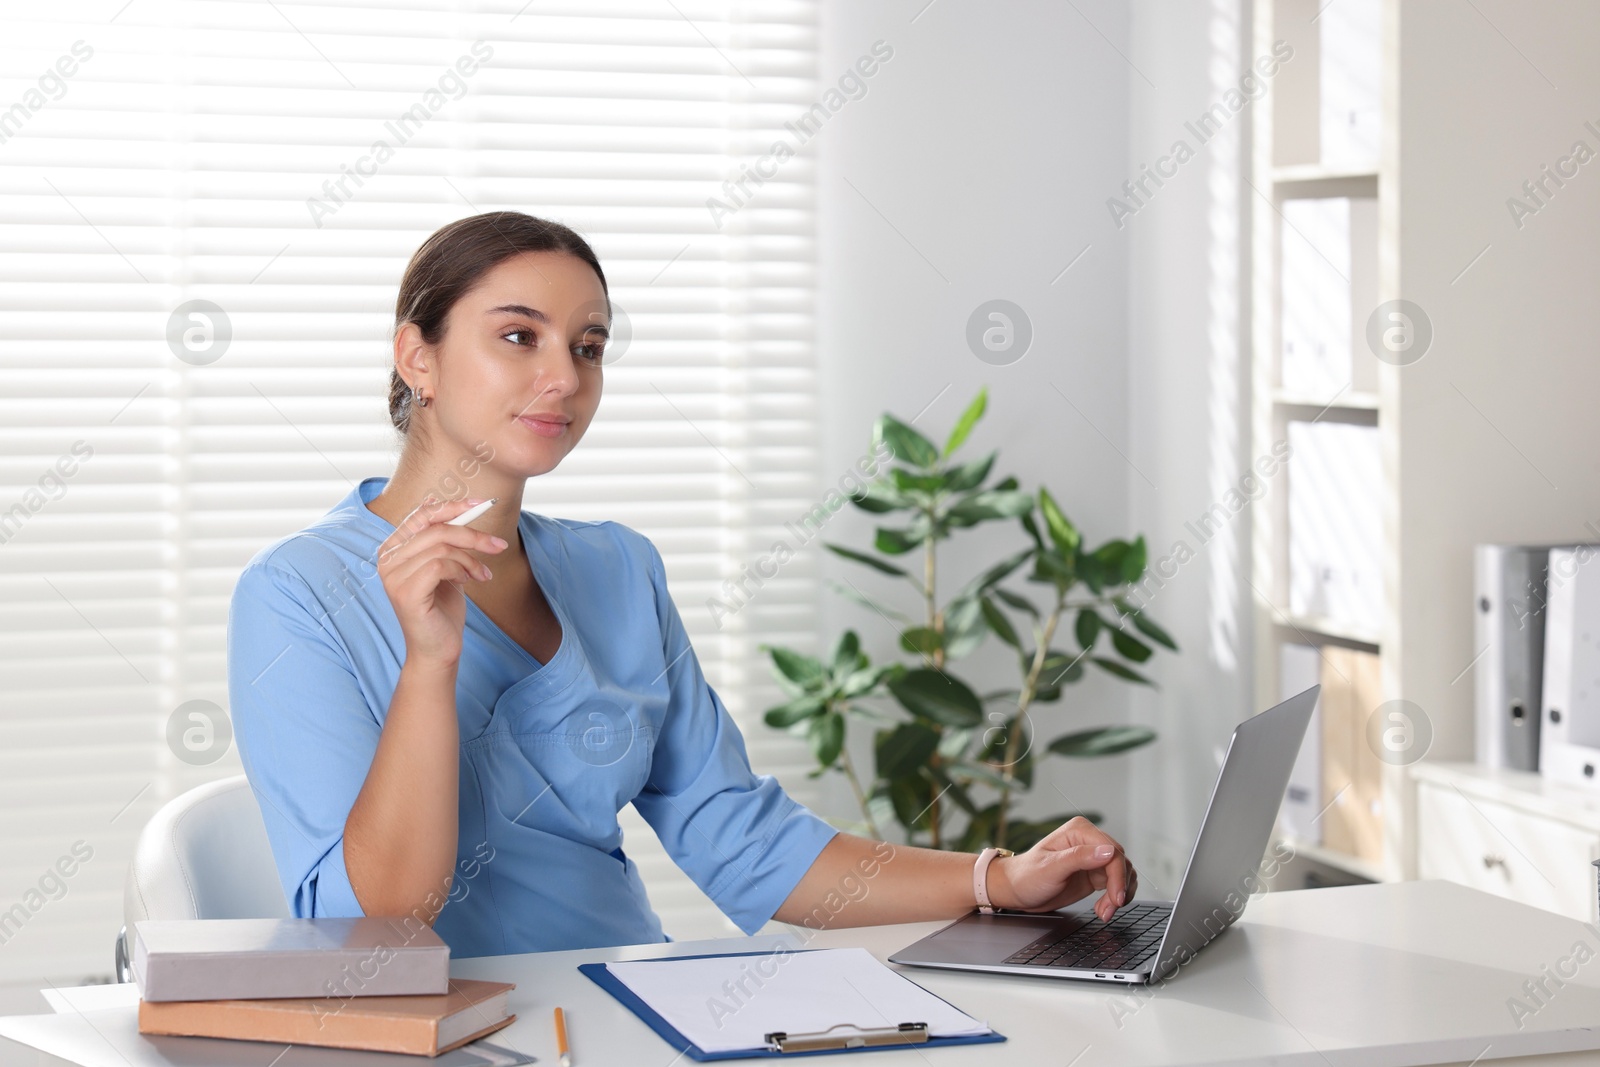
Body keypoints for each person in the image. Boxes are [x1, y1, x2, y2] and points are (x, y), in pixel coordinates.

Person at [227, 211, 1138, 957]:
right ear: (416, 357)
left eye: (588, 346)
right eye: (518, 336)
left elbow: (742, 839)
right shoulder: (297, 593)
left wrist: (998, 879)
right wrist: (430, 664)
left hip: (637, 1010)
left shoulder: (616, 568)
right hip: (451, 1035)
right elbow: (380, 918)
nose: (563, 378)